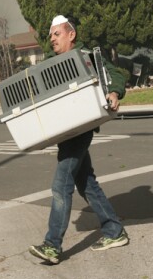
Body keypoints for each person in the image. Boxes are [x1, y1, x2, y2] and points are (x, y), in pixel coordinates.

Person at [29, 15, 129, 264]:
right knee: (86, 183)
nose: (51, 38)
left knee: (61, 185)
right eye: (50, 34)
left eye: (56, 33)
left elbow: (115, 75)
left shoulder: (88, 56)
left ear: (71, 35)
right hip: (63, 130)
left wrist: (114, 92)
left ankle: (52, 246)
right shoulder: (50, 62)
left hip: (81, 127)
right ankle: (114, 231)